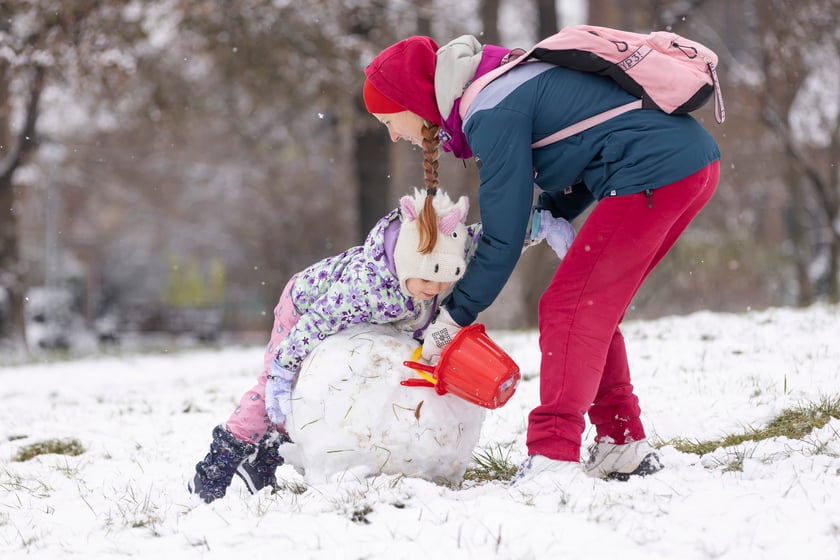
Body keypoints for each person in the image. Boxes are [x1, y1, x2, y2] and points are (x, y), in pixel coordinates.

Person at [363, 33, 721, 485]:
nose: (394, 134)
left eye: (389, 120)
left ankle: (554, 453)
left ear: (412, 101)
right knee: (590, 306)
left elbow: (502, 236)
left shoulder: (490, 108)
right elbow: (590, 140)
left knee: (569, 307)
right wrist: (547, 214)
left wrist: (454, 317)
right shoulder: (498, 83)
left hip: (654, 172)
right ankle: (620, 441)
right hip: (687, 165)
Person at [188, 182, 492, 503]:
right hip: (304, 310)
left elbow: (480, 239)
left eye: (445, 279)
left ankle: (263, 461)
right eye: (427, 279)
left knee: (325, 388)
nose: (436, 288)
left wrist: (524, 229)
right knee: (278, 391)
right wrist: (282, 370)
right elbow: (314, 323)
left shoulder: (442, 251)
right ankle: (217, 464)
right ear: (405, 261)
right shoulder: (364, 288)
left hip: (359, 323)